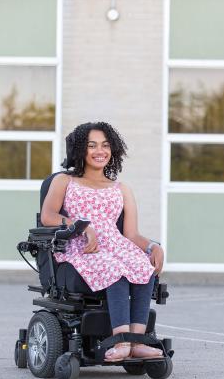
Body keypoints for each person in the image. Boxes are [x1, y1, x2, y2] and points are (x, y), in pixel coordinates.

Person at [41, 121, 164, 362]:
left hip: (116, 245)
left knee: (143, 266)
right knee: (115, 268)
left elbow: (131, 235)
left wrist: (152, 246)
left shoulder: (121, 188)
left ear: (113, 150)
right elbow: (48, 217)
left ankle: (137, 341)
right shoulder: (64, 181)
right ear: (80, 150)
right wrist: (81, 226)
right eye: (92, 145)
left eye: (105, 145)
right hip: (82, 246)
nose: (100, 151)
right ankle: (121, 341)